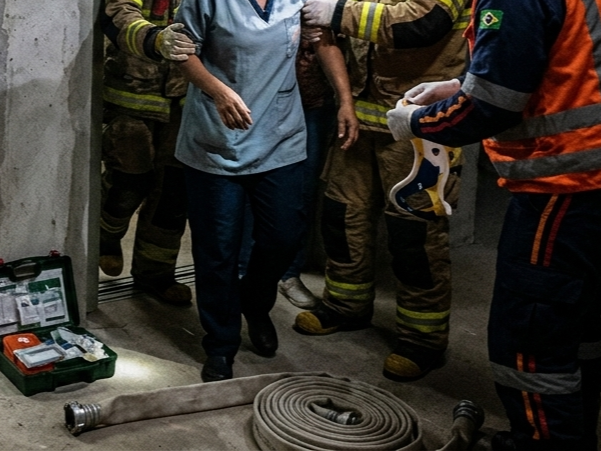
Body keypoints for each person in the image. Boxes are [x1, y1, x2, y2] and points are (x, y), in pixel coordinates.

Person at [386, 0, 601, 446]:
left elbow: (491, 106)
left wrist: (417, 122)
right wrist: (460, 86)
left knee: (531, 340)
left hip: (565, 185)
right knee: (580, 328)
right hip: (589, 184)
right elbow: (558, 61)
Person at [174, 0, 356, 383]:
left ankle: (254, 302)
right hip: (217, 138)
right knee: (218, 250)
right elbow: (182, 52)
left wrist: (345, 100)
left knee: (284, 235)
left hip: (279, 134)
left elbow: (322, 40)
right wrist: (218, 92)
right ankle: (220, 343)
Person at [295, 0, 470, 383]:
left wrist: (336, 11)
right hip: (359, 119)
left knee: (415, 236)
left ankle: (423, 339)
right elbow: (326, 33)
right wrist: (344, 98)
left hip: (420, 127)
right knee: (342, 217)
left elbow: (422, 23)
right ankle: (345, 306)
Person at [238, 30, 359, 310]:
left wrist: (344, 100)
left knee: (301, 191)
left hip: (312, 103)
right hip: (261, 99)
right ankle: (244, 269)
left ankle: (288, 273)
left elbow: (330, 40)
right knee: (252, 185)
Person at [99, 0, 196, 306]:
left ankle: (156, 274)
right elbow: (118, 14)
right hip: (132, 97)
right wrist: (155, 40)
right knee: (128, 183)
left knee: (172, 196)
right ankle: (105, 236)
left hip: (186, 102)